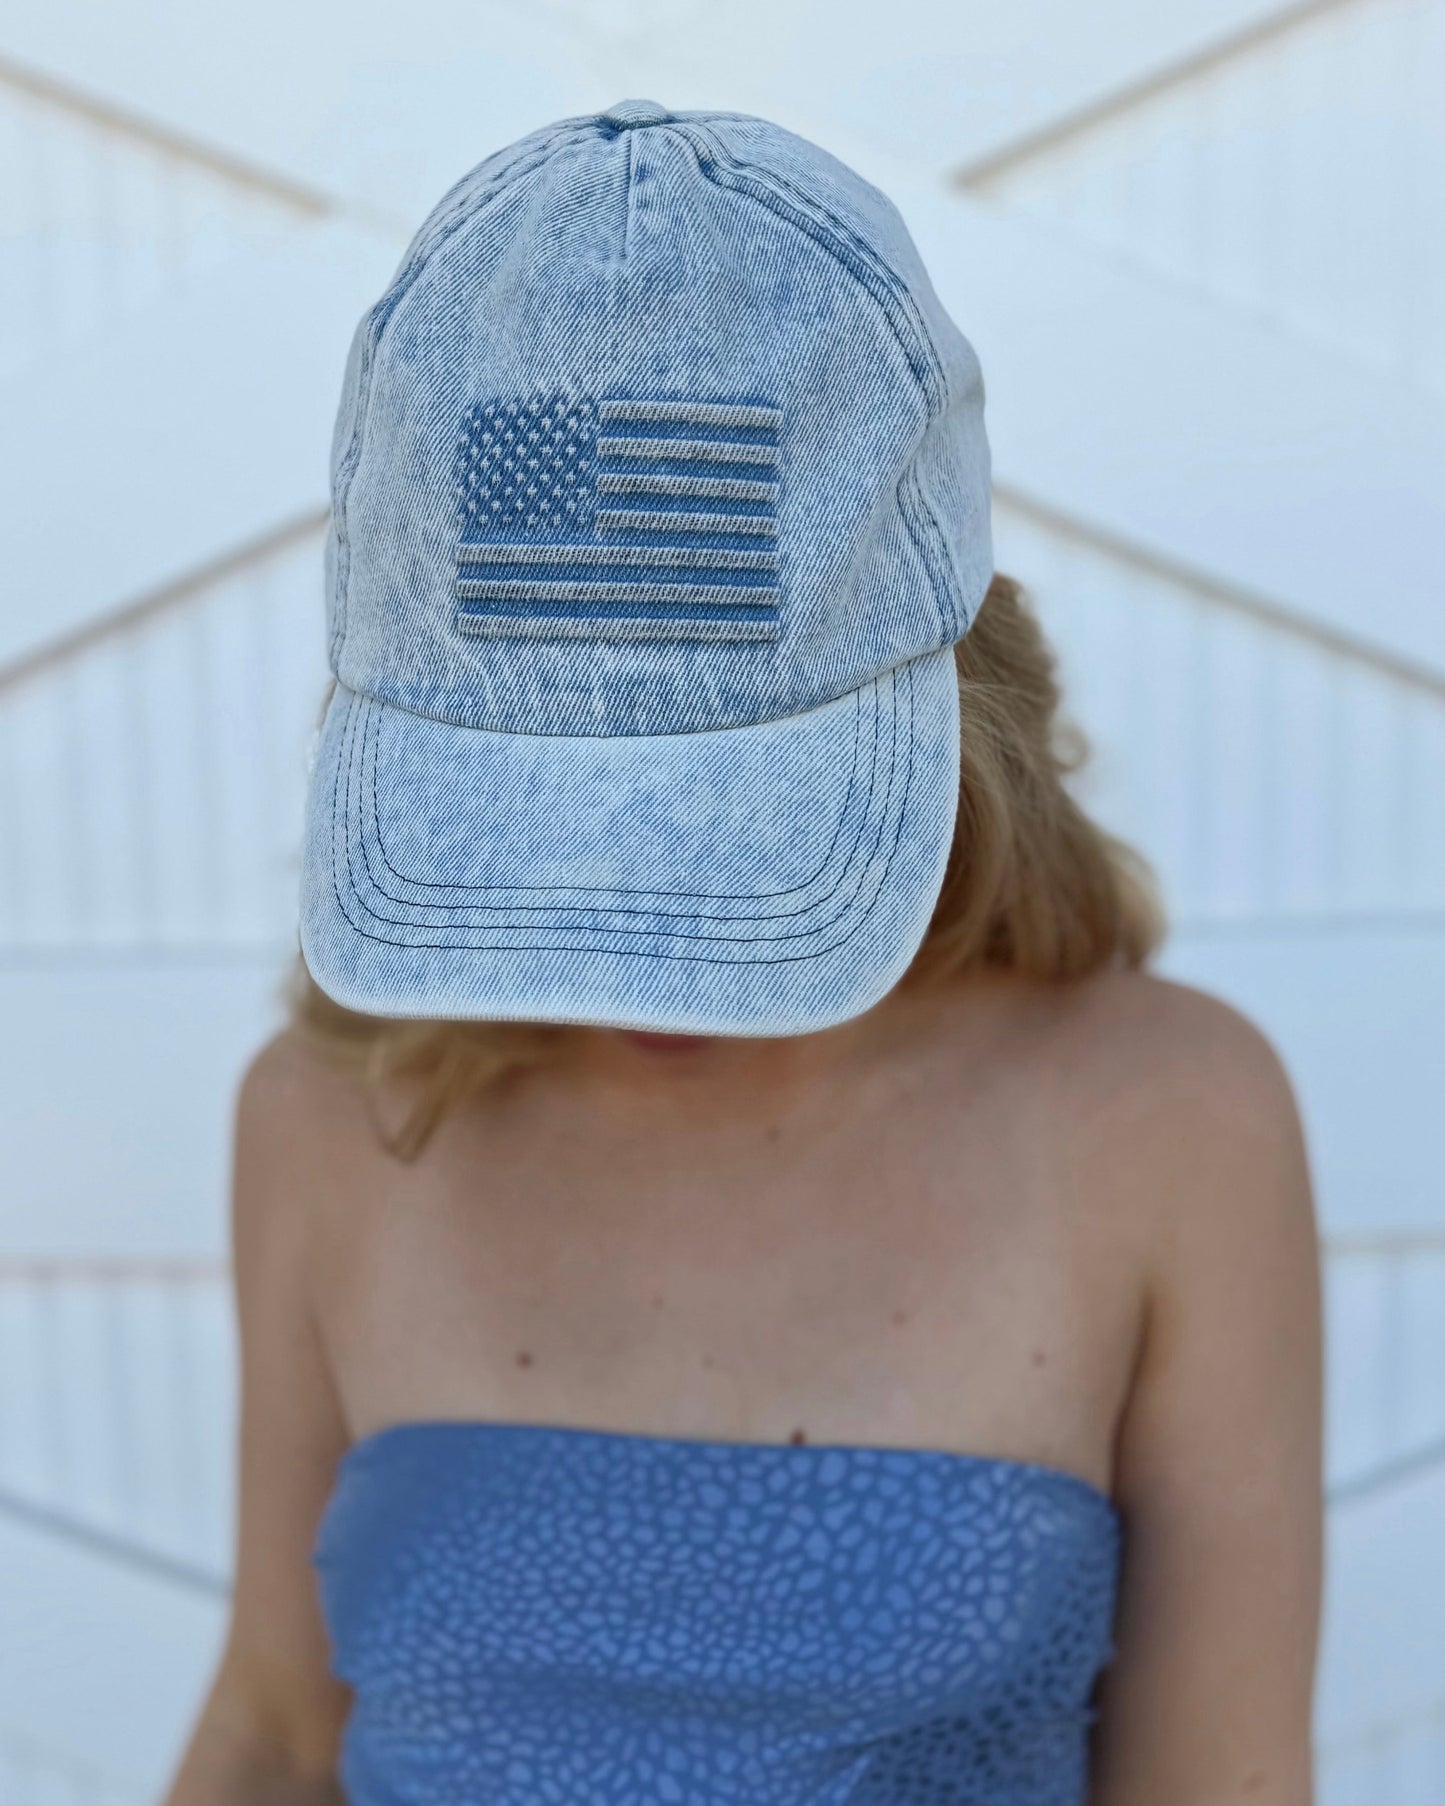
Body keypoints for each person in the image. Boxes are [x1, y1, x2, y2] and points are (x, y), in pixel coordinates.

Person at [163, 100, 1322, 1806]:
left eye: (726, 830)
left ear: (952, 695)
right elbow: (272, 1724)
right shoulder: (330, 1115)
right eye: (550, 832)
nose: (640, 951)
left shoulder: (1168, 1117)